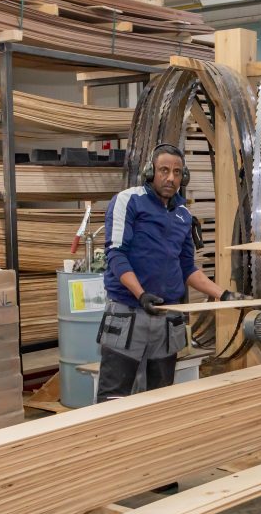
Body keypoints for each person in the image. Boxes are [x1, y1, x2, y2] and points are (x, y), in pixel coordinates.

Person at [97, 143, 245, 403]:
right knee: (115, 397)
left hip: (167, 317)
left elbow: (187, 267)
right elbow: (116, 255)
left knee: (162, 395)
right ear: (150, 172)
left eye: (177, 172)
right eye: (164, 170)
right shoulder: (128, 201)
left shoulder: (183, 215)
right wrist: (141, 295)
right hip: (128, 312)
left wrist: (224, 294)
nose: (171, 178)